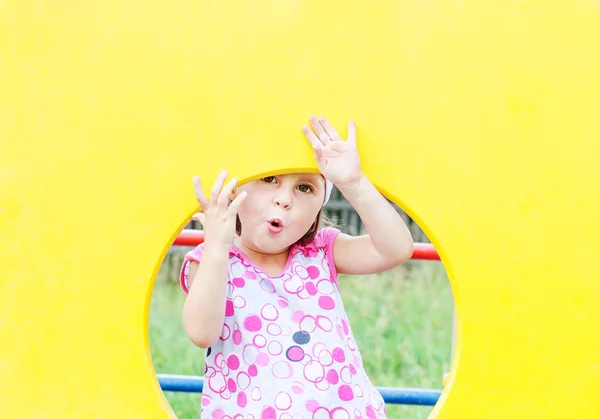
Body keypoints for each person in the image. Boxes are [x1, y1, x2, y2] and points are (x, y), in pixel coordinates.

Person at [179, 116, 414, 419]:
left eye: (305, 188)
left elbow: (396, 248)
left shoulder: (320, 252)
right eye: (269, 179)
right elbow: (201, 333)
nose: (284, 200)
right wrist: (217, 249)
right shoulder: (212, 260)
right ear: (236, 190)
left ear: (319, 207)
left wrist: (352, 183)